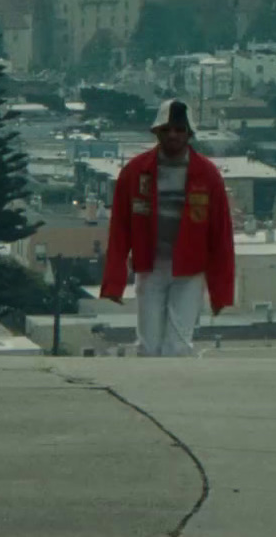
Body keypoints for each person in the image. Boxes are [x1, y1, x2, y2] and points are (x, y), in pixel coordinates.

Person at [101, 98, 235, 357]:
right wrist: (114, 283)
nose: (173, 135)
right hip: (150, 267)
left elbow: (221, 237)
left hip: (190, 270)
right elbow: (119, 230)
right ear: (157, 132)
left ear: (189, 133)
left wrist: (221, 293)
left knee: (178, 346)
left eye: (179, 129)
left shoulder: (208, 176)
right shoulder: (134, 172)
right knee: (148, 346)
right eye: (167, 129)